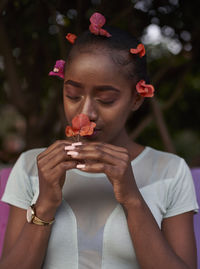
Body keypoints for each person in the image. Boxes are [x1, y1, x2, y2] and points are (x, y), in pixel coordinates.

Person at [0, 12, 198, 269]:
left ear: (136, 99)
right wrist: (45, 204)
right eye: (72, 95)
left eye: (106, 100)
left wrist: (132, 199)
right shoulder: (31, 166)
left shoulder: (170, 171)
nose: (85, 114)